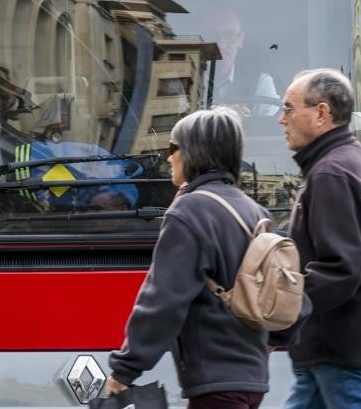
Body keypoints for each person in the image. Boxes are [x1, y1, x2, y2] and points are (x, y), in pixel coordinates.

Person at [104, 107, 272, 408]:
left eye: (173, 148)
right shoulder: (255, 211)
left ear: (194, 152)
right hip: (253, 378)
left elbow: (162, 301)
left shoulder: (190, 211)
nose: (169, 157)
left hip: (216, 382)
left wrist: (124, 371)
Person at [278, 68, 361, 409]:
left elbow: (339, 268)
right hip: (330, 346)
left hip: (337, 347)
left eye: (289, 108)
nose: (282, 119)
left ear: (321, 114)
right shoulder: (342, 163)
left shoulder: (331, 173)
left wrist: (282, 315)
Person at [201, 6, 278, 116]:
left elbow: (269, 128)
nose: (221, 44)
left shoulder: (260, 82)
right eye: (213, 34)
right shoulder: (184, 80)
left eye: (230, 35)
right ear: (199, 39)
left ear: (241, 40)